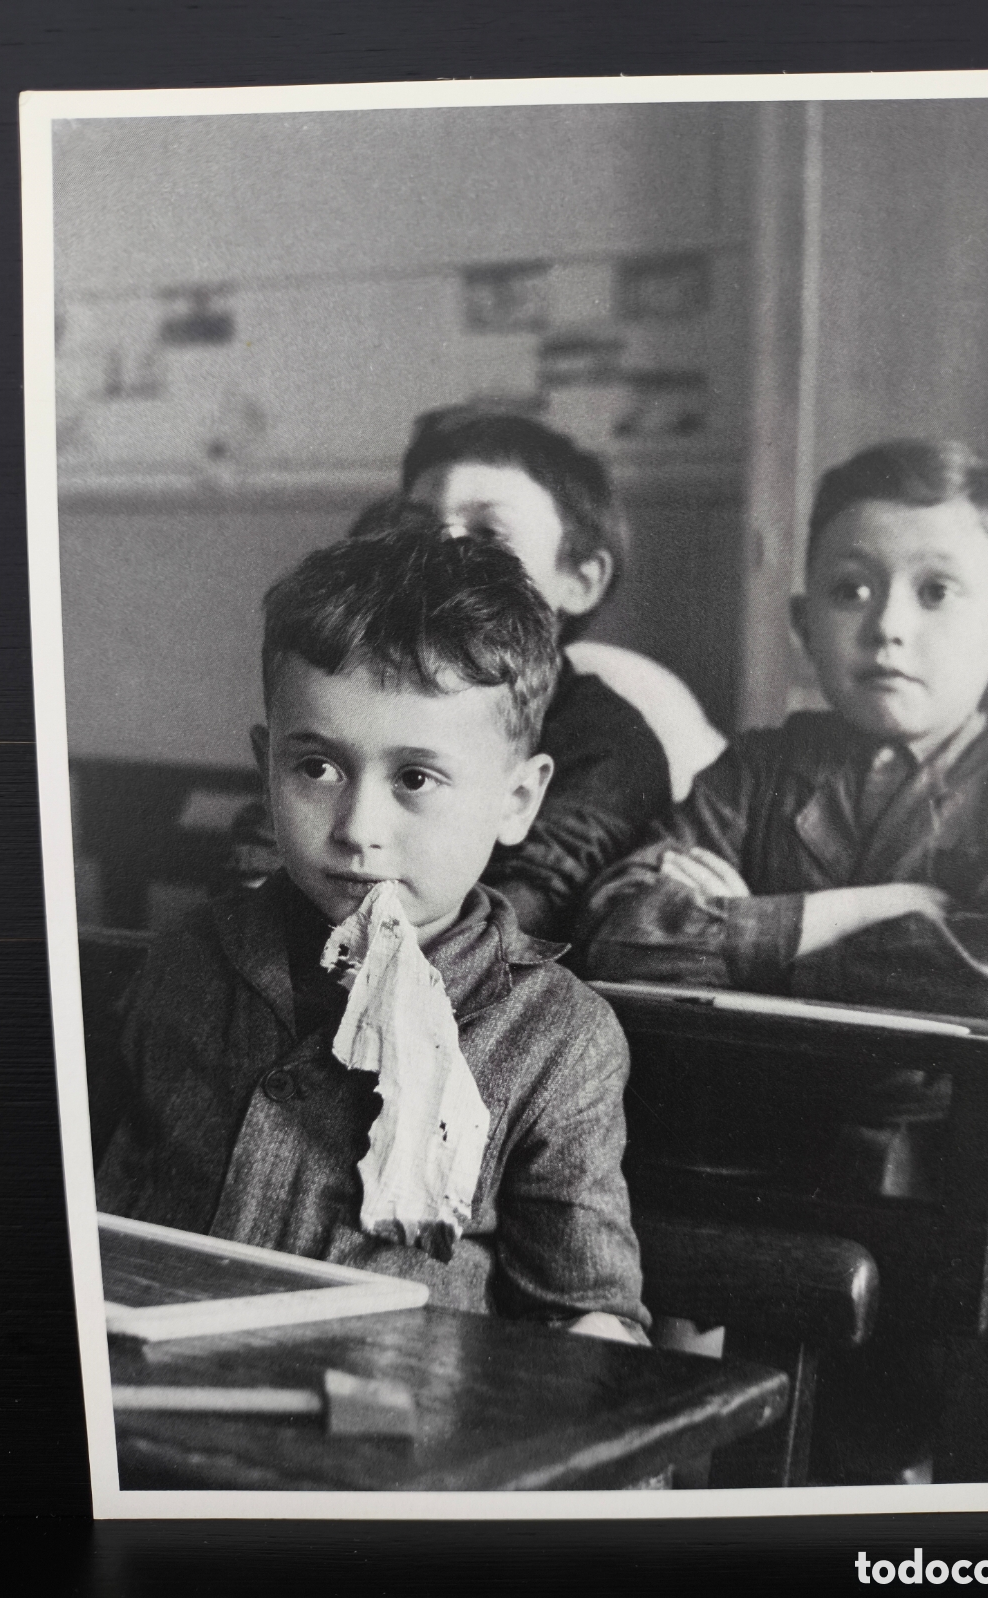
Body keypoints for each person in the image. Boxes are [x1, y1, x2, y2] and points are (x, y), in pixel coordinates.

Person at [97, 503, 649, 1345]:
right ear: (264, 764)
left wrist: (594, 1352)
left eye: (417, 779)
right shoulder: (188, 961)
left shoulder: (556, 1040)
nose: (358, 828)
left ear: (519, 800)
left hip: (400, 1449)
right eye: (315, 766)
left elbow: (586, 1317)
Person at [579, 439, 988, 1029]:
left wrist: (760, 946)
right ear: (805, 626)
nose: (888, 627)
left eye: (936, 592)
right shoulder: (757, 770)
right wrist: (855, 911)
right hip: (762, 1109)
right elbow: (619, 934)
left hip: (951, 1120)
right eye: (851, 590)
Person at [231, 406, 725, 937]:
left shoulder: (609, 743)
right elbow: (260, 866)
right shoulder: (349, 702)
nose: (440, 552)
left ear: (580, 580)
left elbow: (528, 911)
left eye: (488, 535)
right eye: (416, 527)